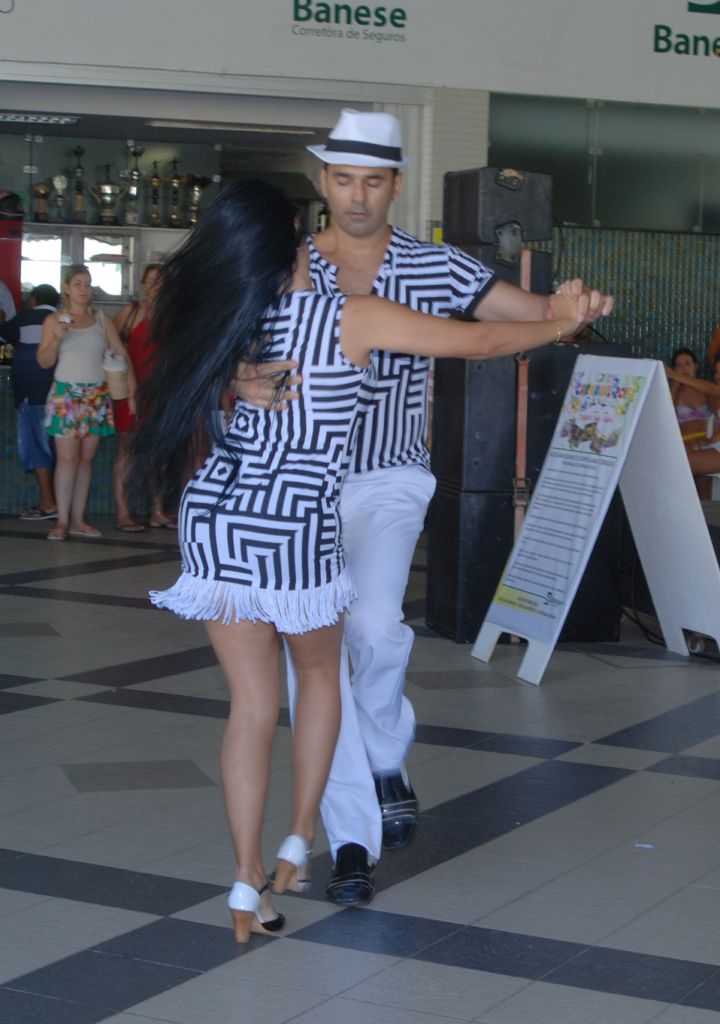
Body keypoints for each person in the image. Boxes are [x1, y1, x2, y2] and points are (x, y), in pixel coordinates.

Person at [132, 178, 586, 943]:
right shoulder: (349, 315)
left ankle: (245, 882)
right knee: (319, 680)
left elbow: (179, 382)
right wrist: (561, 322)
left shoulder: (223, 324)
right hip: (295, 523)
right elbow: (479, 341)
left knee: (251, 708)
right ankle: (297, 842)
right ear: (291, 249)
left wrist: (236, 378)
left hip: (218, 520)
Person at [233, 109, 614, 906]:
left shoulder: (434, 266)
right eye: (343, 180)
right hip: (297, 484)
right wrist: (240, 381)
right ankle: (352, 841)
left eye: (373, 182)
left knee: (373, 626)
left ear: (396, 185)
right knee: (316, 662)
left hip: (387, 478)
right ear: (324, 182)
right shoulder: (288, 262)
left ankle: (384, 753)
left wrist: (569, 311)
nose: (357, 196)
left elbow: (523, 316)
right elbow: (223, 351)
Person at [37, 264, 136, 541]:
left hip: (96, 394)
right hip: (66, 394)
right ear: (67, 288)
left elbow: (121, 353)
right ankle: (63, 520)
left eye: (87, 284)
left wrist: (132, 390)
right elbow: (43, 361)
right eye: (78, 284)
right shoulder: (54, 321)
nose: (84, 289)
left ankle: (78, 519)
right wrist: (57, 338)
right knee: (67, 459)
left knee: (85, 460)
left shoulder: (101, 319)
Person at [111, 263, 174, 531]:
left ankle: (157, 511)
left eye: (160, 281)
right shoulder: (132, 311)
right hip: (131, 390)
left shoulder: (171, 314)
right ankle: (123, 512)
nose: (156, 285)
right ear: (142, 285)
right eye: (151, 281)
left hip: (160, 390)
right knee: (127, 450)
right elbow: (110, 343)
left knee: (160, 450)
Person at [1, 284, 59, 519]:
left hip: (31, 393)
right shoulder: (63, 320)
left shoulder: (25, 318)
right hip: (61, 394)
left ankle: (48, 504)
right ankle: (60, 503)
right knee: (59, 451)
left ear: (33, 300)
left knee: (37, 447)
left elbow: (2, 335)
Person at [667, 347, 720, 498]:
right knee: (683, 458)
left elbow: (712, 392)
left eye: (687, 364)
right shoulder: (674, 392)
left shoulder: (709, 390)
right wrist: (708, 440)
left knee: (679, 463)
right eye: (716, 372)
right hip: (697, 441)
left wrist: (673, 374)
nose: (717, 376)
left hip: (709, 441)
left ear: (696, 366)